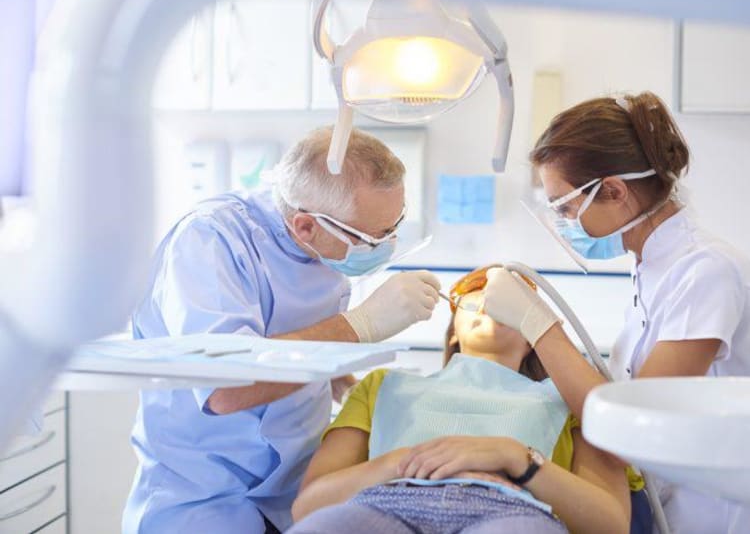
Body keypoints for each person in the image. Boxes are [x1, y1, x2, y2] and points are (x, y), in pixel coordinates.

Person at [122, 127, 442, 533]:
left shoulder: (326, 246)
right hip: (203, 496)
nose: (387, 245)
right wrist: (361, 325)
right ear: (305, 226)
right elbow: (227, 388)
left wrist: (347, 384)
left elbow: (298, 337)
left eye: (395, 226)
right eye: (372, 238)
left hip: (292, 491)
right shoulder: (209, 241)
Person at [484, 91, 750, 533]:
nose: (565, 221)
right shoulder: (652, 267)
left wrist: (538, 324)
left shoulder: (706, 270)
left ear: (613, 190)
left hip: (715, 514)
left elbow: (635, 425)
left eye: (566, 206)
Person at [288, 266, 638, 534]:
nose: (488, 301)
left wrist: (516, 459)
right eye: (475, 294)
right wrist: (402, 463)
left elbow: (610, 524)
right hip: (387, 502)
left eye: (510, 303)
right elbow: (308, 507)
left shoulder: (572, 403)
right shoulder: (382, 387)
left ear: (533, 334)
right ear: (453, 328)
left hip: (510, 512)